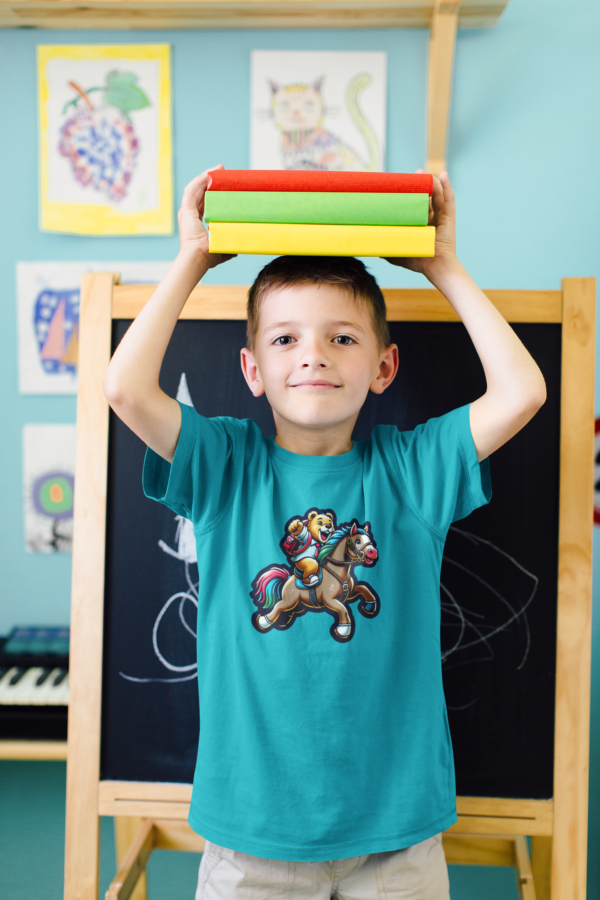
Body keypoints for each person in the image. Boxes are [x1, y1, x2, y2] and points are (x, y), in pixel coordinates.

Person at [103, 165, 546, 899]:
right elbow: (123, 388)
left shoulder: (412, 469)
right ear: (251, 369)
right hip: (252, 835)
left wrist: (443, 265)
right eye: (284, 339)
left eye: (343, 338)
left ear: (383, 366)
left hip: (397, 833)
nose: (312, 354)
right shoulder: (225, 465)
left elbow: (524, 391)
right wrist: (194, 257)